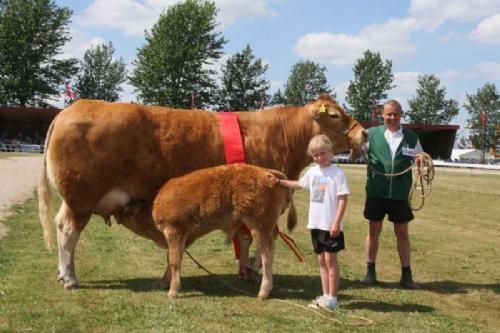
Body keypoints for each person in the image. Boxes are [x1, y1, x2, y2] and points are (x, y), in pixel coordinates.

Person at [268, 134, 349, 310]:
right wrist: (279, 181)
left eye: (322, 153)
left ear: (330, 152)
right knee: (321, 260)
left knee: (331, 260)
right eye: (315, 155)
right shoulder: (313, 172)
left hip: (330, 226)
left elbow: (342, 199)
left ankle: (333, 298)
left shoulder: (337, 173)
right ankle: (325, 294)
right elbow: (299, 184)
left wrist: (336, 222)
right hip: (316, 225)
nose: (319, 158)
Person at [361, 99, 423, 289]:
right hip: (376, 190)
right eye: (388, 114)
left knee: (402, 233)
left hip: (400, 193)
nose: (392, 117)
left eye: (395, 114)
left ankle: (406, 275)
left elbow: (419, 156)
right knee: (373, 230)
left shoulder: (411, 137)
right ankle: (370, 273)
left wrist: (421, 160)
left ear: (401, 114)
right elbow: (357, 154)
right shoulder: (371, 134)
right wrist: (354, 143)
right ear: (382, 115)